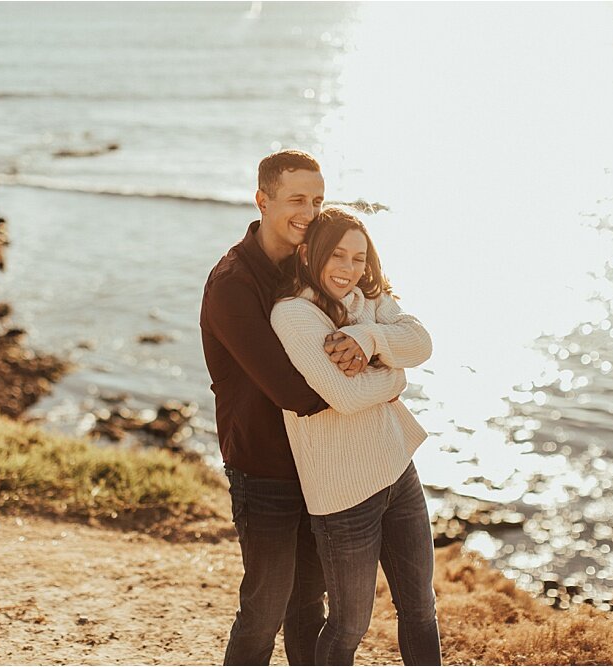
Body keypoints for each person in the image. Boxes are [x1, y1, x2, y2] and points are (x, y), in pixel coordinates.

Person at [200, 150, 374, 664]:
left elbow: (380, 313)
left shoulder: (314, 266)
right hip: (265, 469)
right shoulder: (232, 284)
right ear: (263, 200)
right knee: (265, 608)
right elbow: (293, 392)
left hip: (319, 464)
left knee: (309, 607)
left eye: (318, 200)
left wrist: (368, 339)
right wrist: (379, 378)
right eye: (296, 199)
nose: (309, 211)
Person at [271, 206, 441, 666]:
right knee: (349, 626)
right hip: (343, 494)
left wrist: (368, 340)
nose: (349, 269)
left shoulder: (367, 299)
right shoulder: (293, 315)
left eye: (359, 258)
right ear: (309, 254)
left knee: (421, 607)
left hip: (397, 469)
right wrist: (396, 379)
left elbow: (420, 342)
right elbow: (345, 395)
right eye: (338, 256)